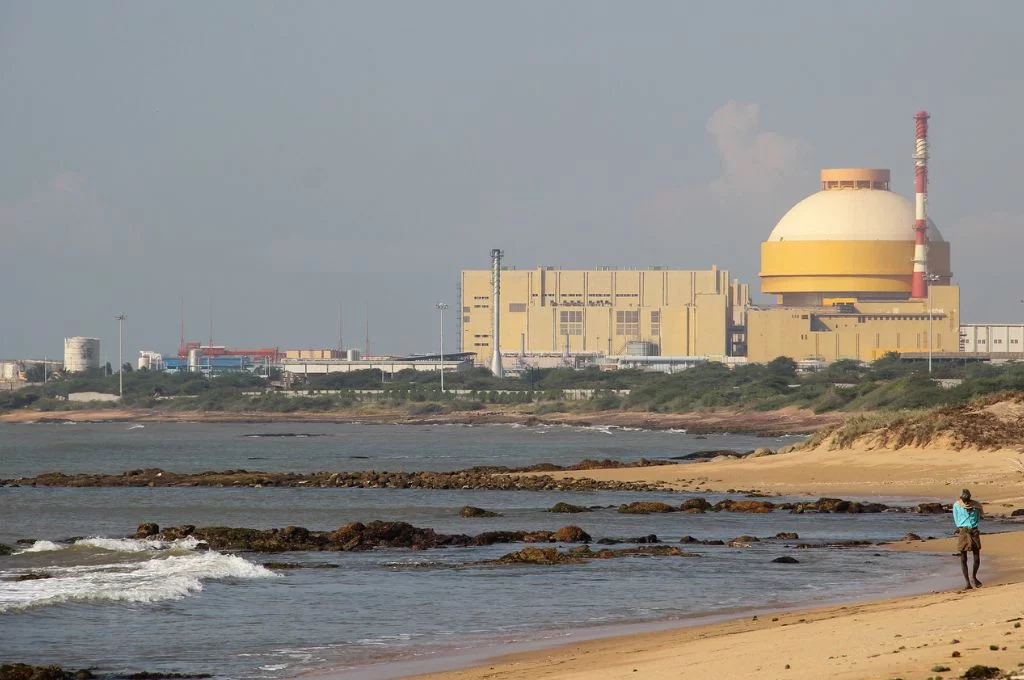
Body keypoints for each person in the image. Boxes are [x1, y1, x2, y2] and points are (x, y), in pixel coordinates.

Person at [953, 488, 983, 589]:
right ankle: (967, 582)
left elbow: (978, 518)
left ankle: (974, 577)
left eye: (966, 499)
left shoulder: (976, 505)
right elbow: (956, 519)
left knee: (976, 556)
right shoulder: (957, 505)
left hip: (973, 530)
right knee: (963, 557)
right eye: (963, 499)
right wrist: (960, 527)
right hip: (963, 531)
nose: (965, 501)